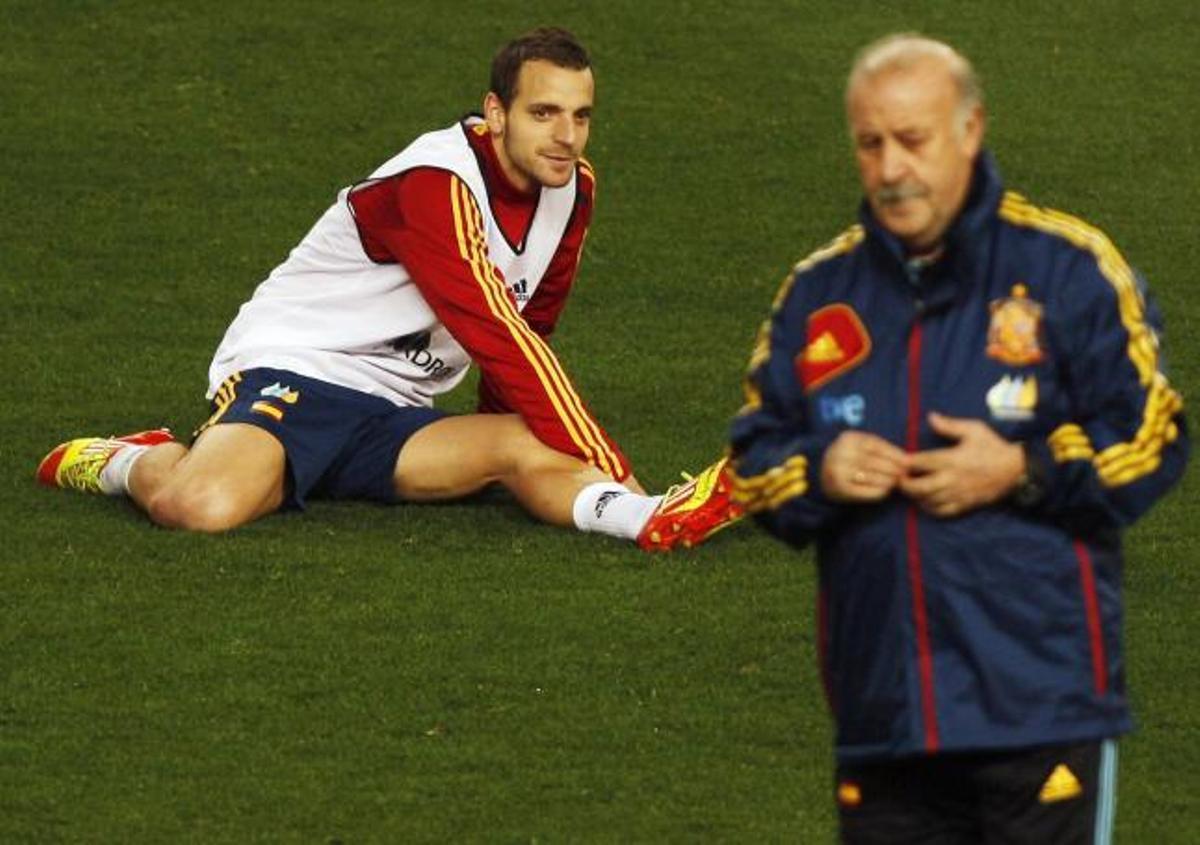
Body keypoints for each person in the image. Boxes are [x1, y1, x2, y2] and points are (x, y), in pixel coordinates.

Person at [729, 33, 1187, 844]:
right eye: (871, 144)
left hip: (1039, 712)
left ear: (970, 131)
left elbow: (1154, 434)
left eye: (913, 140)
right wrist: (818, 468)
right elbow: (753, 459)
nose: (891, 167)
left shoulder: (1071, 270)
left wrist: (1023, 465)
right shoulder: (817, 293)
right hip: (885, 717)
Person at [37, 27, 741, 551]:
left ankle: (649, 518)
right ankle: (129, 459)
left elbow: (535, 321)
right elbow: (494, 327)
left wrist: (518, 441)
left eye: (580, 116)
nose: (566, 137)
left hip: (397, 407)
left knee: (530, 444)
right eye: (543, 113)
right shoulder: (435, 184)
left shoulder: (572, 188)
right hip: (301, 371)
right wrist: (612, 460)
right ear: (496, 113)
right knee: (204, 504)